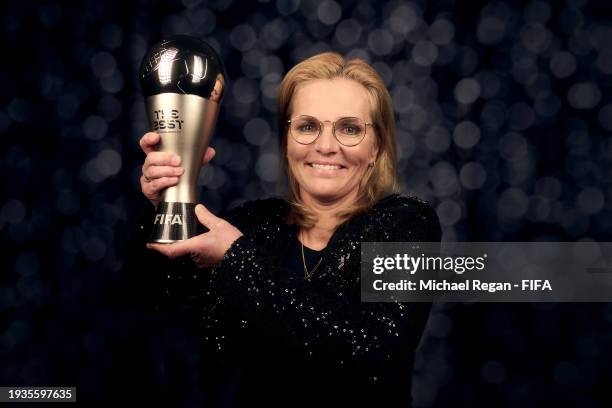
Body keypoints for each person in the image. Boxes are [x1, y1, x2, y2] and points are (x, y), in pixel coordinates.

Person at [122, 52, 441, 407]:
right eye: (307, 126)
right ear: (286, 141)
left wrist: (238, 259)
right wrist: (167, 202)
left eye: (349, 128)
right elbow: (153, 300)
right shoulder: (255, 224)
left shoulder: (407, 224)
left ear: (376, 146)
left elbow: (371, 350)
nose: (326, 145)